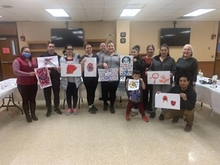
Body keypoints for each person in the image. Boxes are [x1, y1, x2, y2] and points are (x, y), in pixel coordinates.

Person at [148, 43, 176, 120]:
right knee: (155, 95)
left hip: (166, 82)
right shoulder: (155, 59)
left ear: (168, 51)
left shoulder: (171, 60)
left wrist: (172, 74)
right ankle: (153, 110)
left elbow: (174, 70)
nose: (163, 52)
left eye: (165, 50)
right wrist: (149, 72)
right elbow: (151, 68)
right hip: (156, 81)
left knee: (165, 96)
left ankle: (163, 112)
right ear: (159, 51)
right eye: (162, 50)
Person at [12, 46, 38, 123]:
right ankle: (27, 115)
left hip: (33, 82)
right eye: (26, 51)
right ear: (22, 52)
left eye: (29, 52)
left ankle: (33, 114)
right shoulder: (17, 60)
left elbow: (37, 69)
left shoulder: (33, 60)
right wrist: (28, 74)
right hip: (23, 83)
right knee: (25, 100)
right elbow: (16, 71)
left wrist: (44, 71)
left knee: (33, 99)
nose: (27, 53)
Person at [40, 42, 62, 117]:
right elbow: (39, 68)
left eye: (53, 46)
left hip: (56, 78)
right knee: (47, 95)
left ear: (55, 48)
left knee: (56, 94)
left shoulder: (59, 57)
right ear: (47, 47)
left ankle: (56, 107)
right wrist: (45, 71)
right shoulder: (42, 56)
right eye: (50, 46)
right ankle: (48, 109)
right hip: (45, 78)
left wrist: (59, 68)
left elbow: (62, 68)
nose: (51, 48)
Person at [98, 41, 120, 114]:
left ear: (114, 47)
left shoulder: (118, 55)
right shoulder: (103, 55)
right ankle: (105, 104)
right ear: (107, 47)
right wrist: (102, 64)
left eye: (112, 46)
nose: (110, 47)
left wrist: (120, 69)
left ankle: (112, 105)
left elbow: (123, 65)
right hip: (105, 76)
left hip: (115, 76)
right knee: (104, 91)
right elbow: (99, 65)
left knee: (112, 92)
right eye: (109, 46)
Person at [60, 44, 82, 116]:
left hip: (75, 80)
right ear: (65, 50)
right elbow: (61, 70)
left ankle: (75, 107)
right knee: (68, 95)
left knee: (75, 95)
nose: (70, 50)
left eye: (71, 49)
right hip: (66, 81)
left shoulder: (77, 57)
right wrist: (59, 69)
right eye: (68, 49)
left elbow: (80, 66)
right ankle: (69, 108)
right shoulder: (62, 59)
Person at [126, 45, 146, 116]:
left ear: (138, 52)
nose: (133, 53)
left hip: (137, 80)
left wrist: (136, 62)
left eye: (134, 52)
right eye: (132, 52)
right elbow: (124, 67)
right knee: (130, 94)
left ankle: (136, 108)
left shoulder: (141, 59)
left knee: (137, 94)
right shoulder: (128, 59)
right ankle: (130, 110)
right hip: (129, 78)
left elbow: (143, 68)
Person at [80, 44, 99, 114]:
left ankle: (92, 104)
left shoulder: (96, 56)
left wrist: (97, 65)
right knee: (89, 91)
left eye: (90, 48)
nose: (89, 49)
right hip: (86, 77)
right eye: (87, 48)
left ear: (92, 49)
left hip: (95, 76)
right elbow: (81, 69)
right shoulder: (83, 57)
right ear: (85, 49)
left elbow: (98, 65)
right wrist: (82, 63)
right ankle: (90, 106)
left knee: (93, 91)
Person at [142, 44, 155, 113]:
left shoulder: (156, 59)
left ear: (153, 50)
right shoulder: (143, 58)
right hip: (145, 77)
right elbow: (140, 67)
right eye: (148, 49)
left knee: (152, 93)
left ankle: (150, 107)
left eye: (151, 49)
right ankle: (145, 106)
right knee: (145, 92)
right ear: (146, 50)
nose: (150, 51)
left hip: (153, 79)